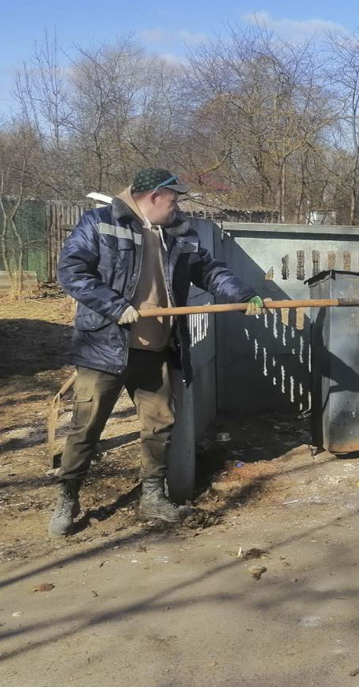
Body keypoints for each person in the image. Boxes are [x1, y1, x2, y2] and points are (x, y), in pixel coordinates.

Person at [49, 168, 264, 536]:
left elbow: (208, 270)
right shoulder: (100, 223)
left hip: (157, 348)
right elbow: (71, 271)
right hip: (105, 345)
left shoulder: (179, 231)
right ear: (153, 197)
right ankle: (68, 497)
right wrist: (114, 305)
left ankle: (152, 495)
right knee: (86, 427)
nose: (177, 207)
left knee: (159, 426)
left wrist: (241, 296)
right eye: (174, 199)